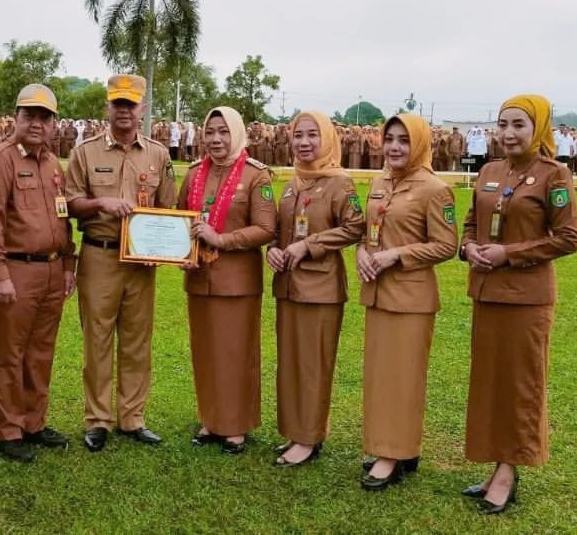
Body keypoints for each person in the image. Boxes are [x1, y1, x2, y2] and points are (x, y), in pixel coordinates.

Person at [460, 95, 577, 514]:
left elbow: (568, 238)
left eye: (518, 125)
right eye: (502, 124)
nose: (508, 134)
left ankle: (509, 470)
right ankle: (495, 464)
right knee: (490, 384)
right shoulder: (489, 170)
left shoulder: (555, 174)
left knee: (519, 384)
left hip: (527, 299)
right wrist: (470, 247)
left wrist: (508, 253)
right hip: (487, 293)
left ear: (538, 129)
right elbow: (471, 222)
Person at [64, 74, 176, 452]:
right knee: (97, 339)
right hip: (100, 253)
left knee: (137, 341)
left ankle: (133, 417)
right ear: (107, 107)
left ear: (142, 108)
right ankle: (97, 419)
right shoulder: (85, 152)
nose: (124, 110)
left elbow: (168, 209)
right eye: (118, 103)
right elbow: (70, 204)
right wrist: (101, 204)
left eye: (131, 104)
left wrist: (166, 246)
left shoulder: (158, 154)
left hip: (141, 262)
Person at [357, 114, 457, 490]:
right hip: (378, 294)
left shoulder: (435, 189)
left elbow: (447, 245)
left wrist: (396, 255)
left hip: (411, 297)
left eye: (404, 141)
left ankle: (393, 454)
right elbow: (368, 233)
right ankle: (392, 446)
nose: (395, 147)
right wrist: (363, 253)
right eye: (390, 139)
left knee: (403, 378)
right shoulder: (380, 182)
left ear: (419, 145)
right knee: (380, 377)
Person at [0, 85, 76, 463]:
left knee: (40, 352)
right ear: (15, 118)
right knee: (9, 353)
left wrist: (68, 264)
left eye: (44, 117)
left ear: (54, 123)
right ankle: (8, 430)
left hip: (52, 270)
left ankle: (34, 423)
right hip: (16, 270)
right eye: (29, 115)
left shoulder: (53, 163)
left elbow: (63, 217)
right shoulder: (0, 160)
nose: (37, 123)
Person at [267, 111, 365, 467]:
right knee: (291, 363)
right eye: (298, 135)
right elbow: (282, 230)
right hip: (288, 287)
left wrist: (310, 246)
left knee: (313, 365)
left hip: (321, 289)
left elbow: (356, 228)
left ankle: (309, 438)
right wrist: (274, 250)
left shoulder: (341, 183)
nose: (304, 143)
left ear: (327, 139)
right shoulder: (294, 181)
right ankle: (296, 432)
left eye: (312, 135)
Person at [177, 106, 276, 454]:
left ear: (236, 133)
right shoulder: (192, 174)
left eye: (223, 131)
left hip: (237, 282)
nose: (216, 139)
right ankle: (212, 419)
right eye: (210, 132)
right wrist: (181, 254)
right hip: (199, 279)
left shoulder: (255, 176)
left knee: (235, 353)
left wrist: (222, 239)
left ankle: (235, 425)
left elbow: (266, 229)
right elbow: (180, 221)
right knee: (205, 352)